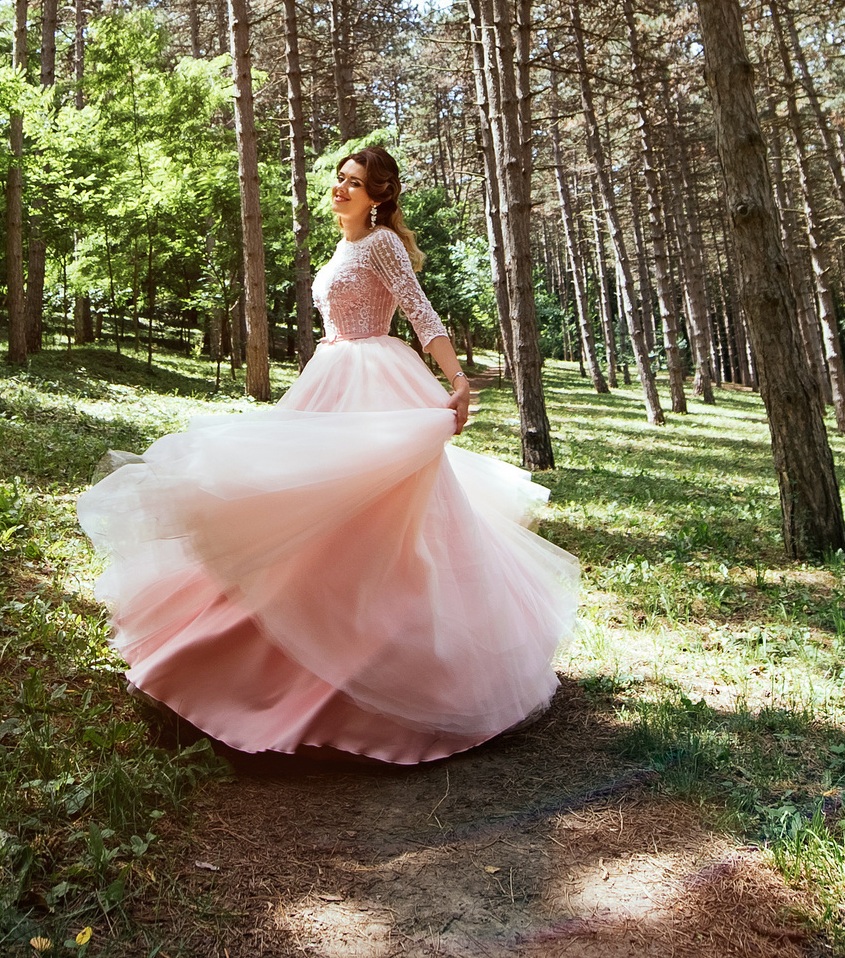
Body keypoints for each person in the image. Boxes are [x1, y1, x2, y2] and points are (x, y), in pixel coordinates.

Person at [77, 144, 580, 764]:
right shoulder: (341, 249)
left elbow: (420, 314)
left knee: (373, 521)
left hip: (377, 380)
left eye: (356, 184)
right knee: (298, 510)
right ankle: (242, 660)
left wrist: (457, 381)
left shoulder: (382, 246)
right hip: (331, 374)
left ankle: (381, 675)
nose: (342, 190)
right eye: (340, 180)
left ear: (379, 197)